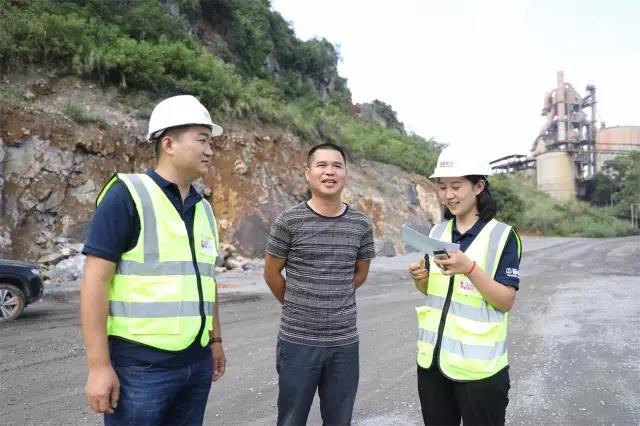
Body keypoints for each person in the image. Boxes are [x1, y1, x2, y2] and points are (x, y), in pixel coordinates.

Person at [80, 95, 226, 426]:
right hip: (140, 369)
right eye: (202, 140)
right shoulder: (126, 195)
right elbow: (94, 282)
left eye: (211, 142)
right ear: (169, 143)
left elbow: (206, 281)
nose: (210, 150)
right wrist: (99, 366)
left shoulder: (203, 209)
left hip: (196, 362)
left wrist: (215, 340)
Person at [408, 145, 522, 426]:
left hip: (479, 372)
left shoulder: (502, 236)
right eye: (442, 187)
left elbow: (505, 301)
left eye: (456, 186)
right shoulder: (437, 232)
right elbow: (436, 292)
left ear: (479, 186)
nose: (448, 195)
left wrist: (470, 269)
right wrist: (420, 280)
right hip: (433, 364)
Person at [263, 142, 376, 426]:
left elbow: (360, 273)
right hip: (297, 341)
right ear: (308, 172)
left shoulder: (360, 224)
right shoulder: (289, 221)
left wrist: (335, 295)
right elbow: (272, 273)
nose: (330, 172)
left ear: (346, 174)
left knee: (340, 419)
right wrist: (298, 303)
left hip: (344, 343)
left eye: (337, 166)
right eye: (321, 165)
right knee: (291, 418)